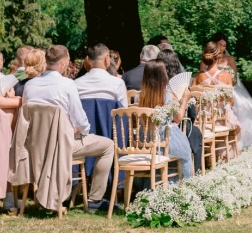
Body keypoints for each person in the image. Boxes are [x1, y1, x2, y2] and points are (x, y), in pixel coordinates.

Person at [20, 46, 116, 209]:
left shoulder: (30, 85)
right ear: (64, 63)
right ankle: (95, 199)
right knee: (108, 146)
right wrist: (82, 131)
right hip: (62, 145)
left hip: (35, 146)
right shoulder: (67, 85)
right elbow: (80, 120)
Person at [137, 61, 195, 177]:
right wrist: (184, 99)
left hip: (145, 139)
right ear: (163, 76)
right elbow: (178, 118)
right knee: (186, 153)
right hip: (165, 139)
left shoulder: (140, 96)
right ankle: (186, 183)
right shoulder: (167, 95)